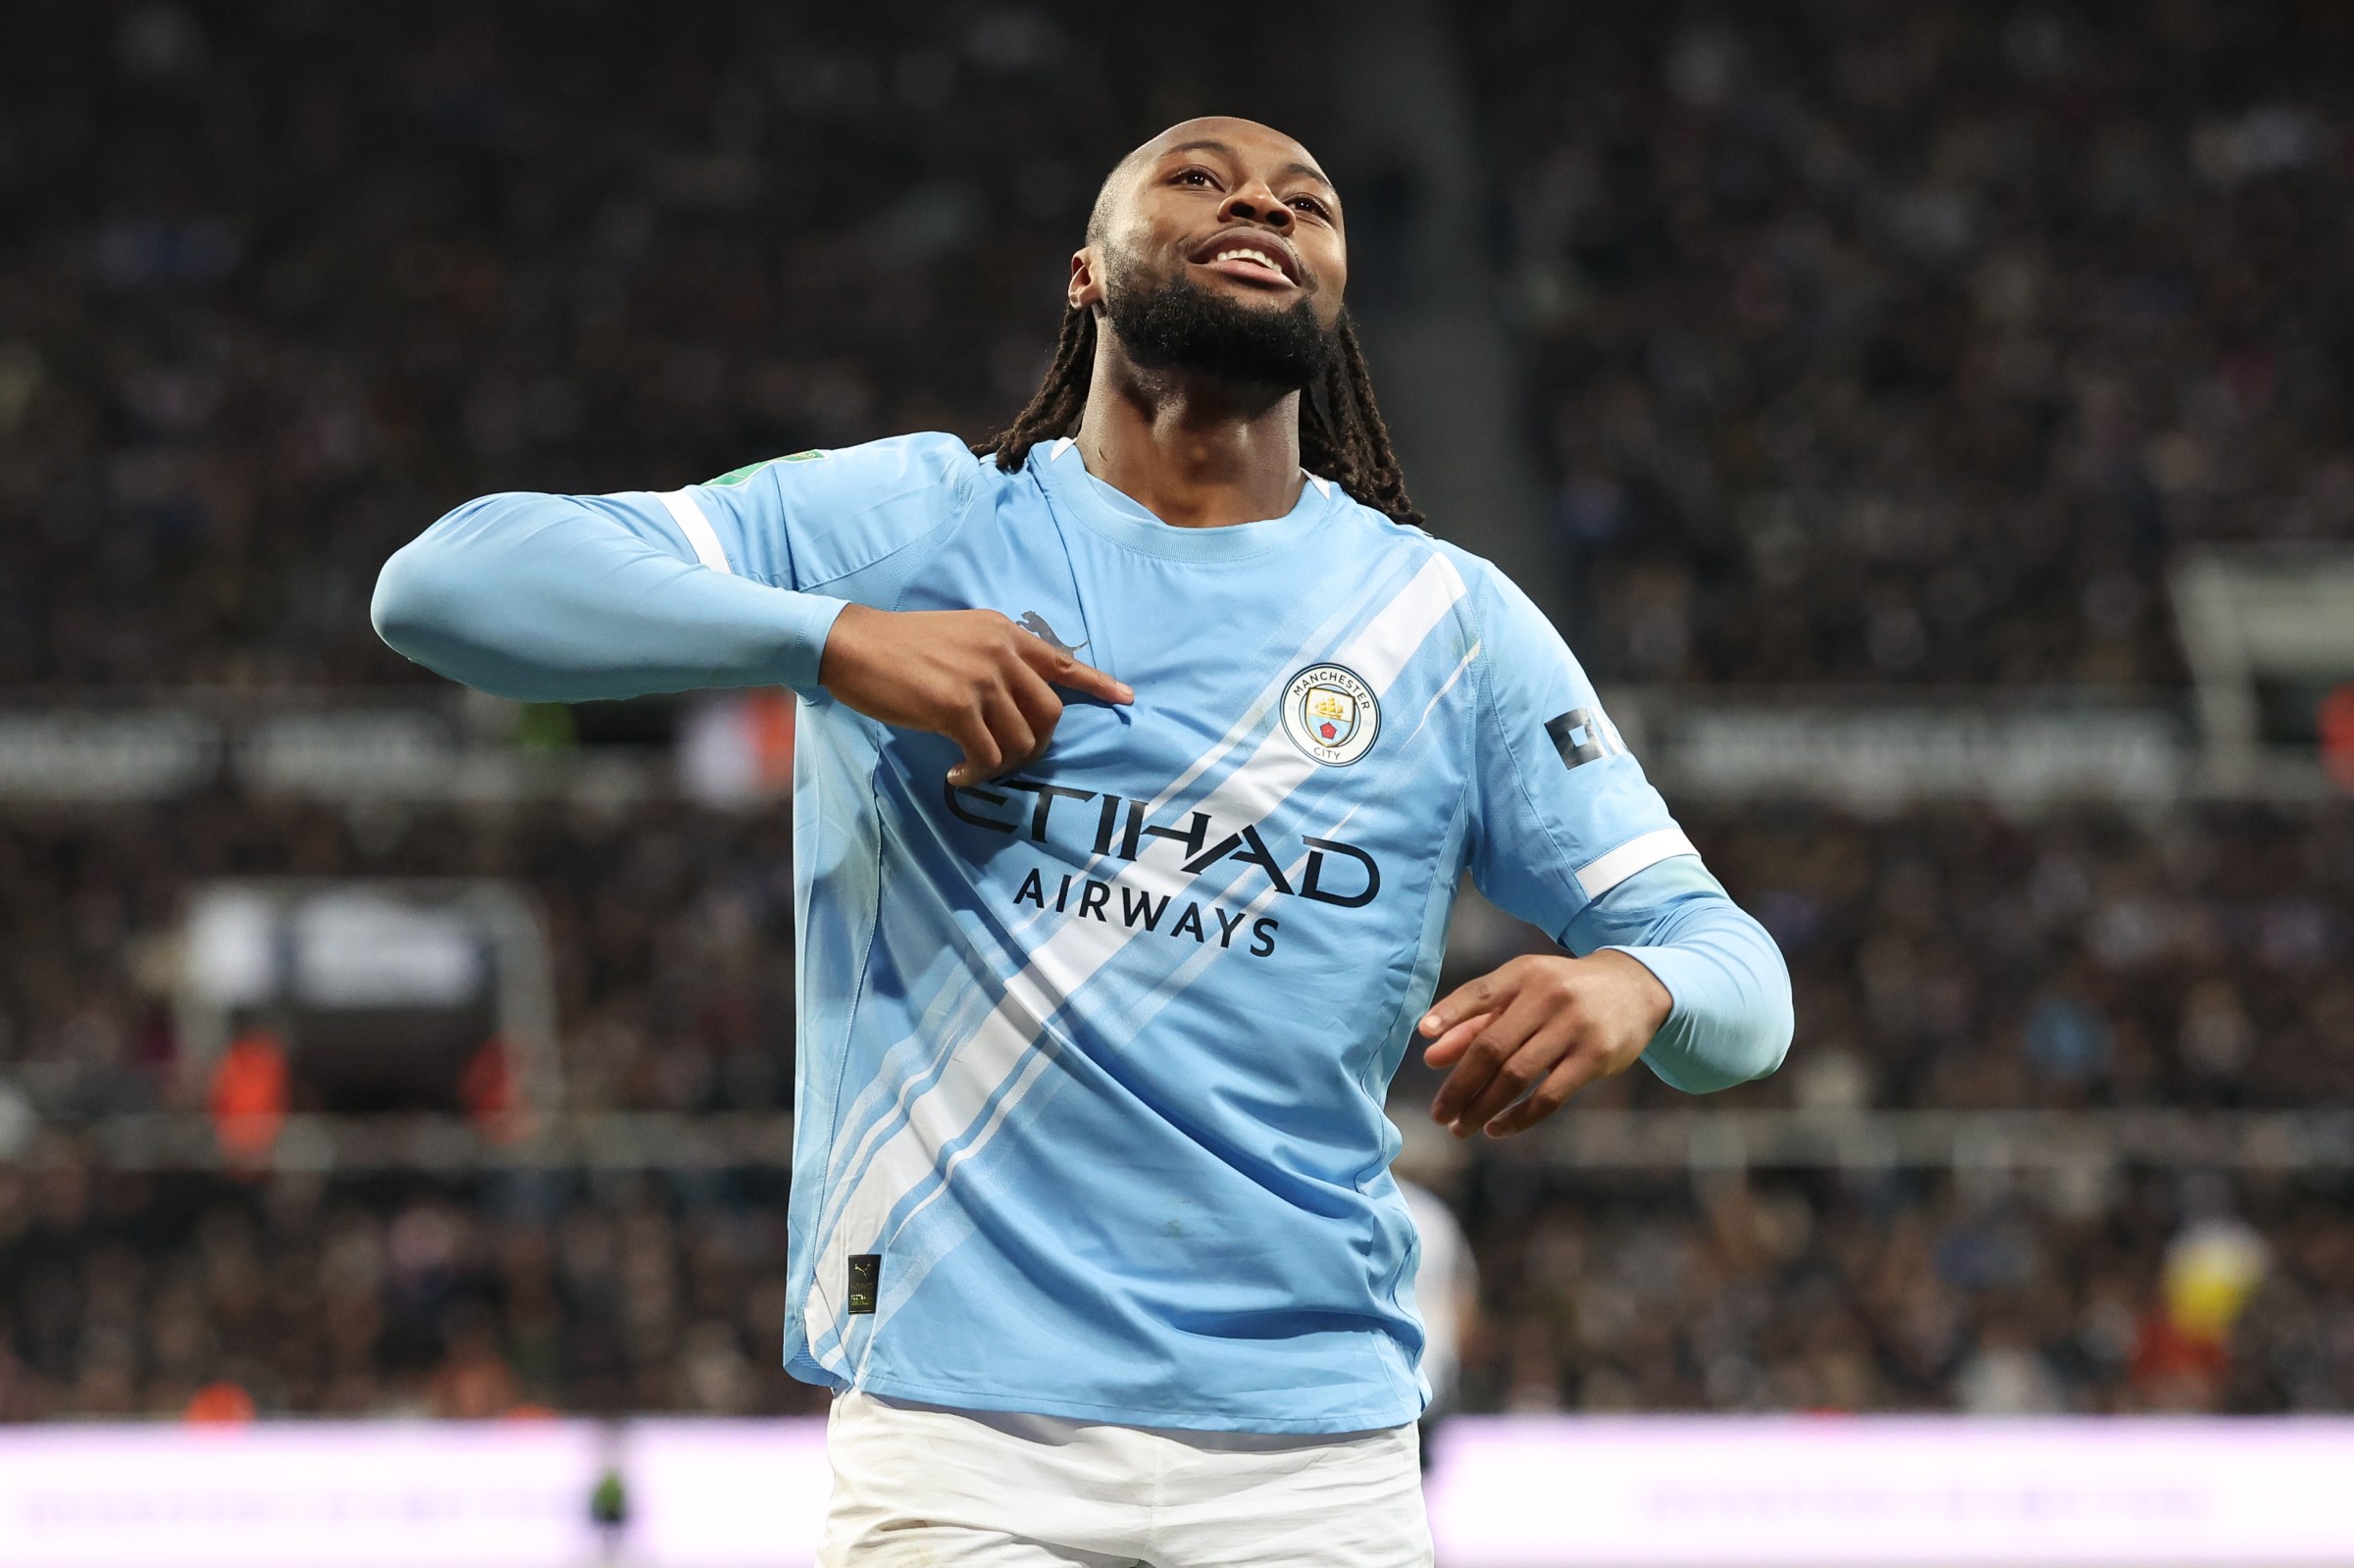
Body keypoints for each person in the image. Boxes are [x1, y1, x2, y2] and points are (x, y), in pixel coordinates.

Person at [374, 116, 1792, 1567]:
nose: (1260, 202)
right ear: (1084, 277)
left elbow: (1737, 984)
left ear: (1337, 288)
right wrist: (837, 643)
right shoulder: (916, 522)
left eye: (1306, 202)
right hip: (960, 1435)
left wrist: (1637, 989)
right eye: (1199, 178)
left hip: (1315, 1454)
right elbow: (444, 585)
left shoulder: (1451, 626)